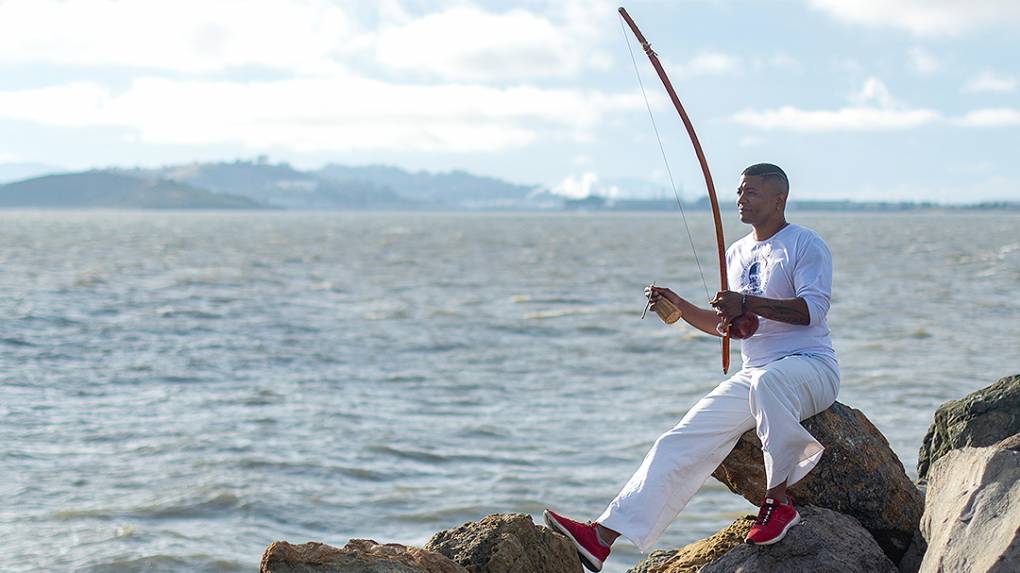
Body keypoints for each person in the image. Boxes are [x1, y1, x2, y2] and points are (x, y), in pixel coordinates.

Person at [544, 163, 839, 572]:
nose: (740, 199)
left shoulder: (806, 244)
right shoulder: (736, 253)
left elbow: (812, 310)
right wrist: (680, 306)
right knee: (679, 439)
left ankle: (779, 502)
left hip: (811, 367)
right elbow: (727, 328)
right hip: (755, 374)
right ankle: (602, 536)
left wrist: (747, 303)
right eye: (739, 191)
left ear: (779, 199)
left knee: (768, 384)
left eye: (751, 192)